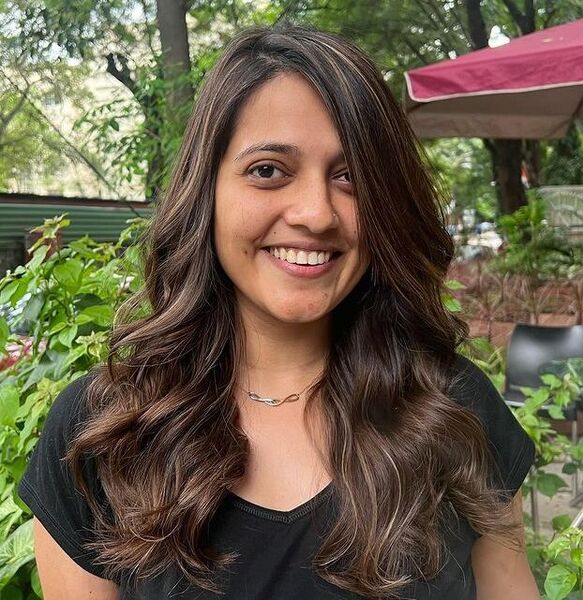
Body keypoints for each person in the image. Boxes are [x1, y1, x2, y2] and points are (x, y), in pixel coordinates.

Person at [18, 22, 539, 600]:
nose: (317, 213)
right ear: (206, 193)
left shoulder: (455, 409)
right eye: (269, 170)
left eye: (351, 177)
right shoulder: (101, 435)